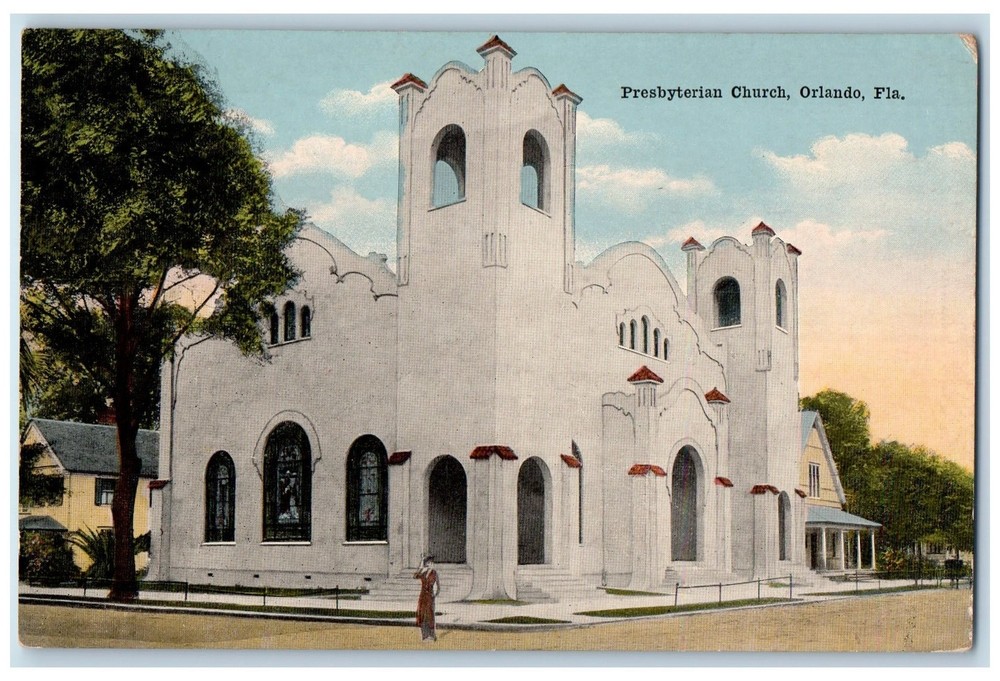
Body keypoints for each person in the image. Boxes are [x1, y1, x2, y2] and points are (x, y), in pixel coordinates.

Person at [413, 556, 440, 642]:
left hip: (430, 596)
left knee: (430, 615)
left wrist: (434, 594)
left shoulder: (434, 573)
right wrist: (421, 568)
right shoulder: (423, 572)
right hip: (423, 595)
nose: (430, 564)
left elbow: (437, 585)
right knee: (422, 614)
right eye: (428, 563)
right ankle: (424, 635)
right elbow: (415, 576)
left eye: (431, 563)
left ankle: (432, 635)